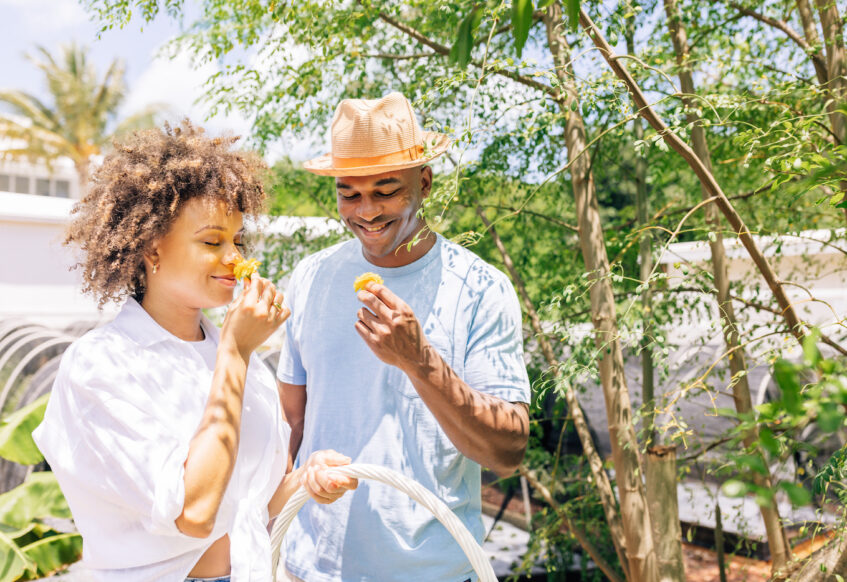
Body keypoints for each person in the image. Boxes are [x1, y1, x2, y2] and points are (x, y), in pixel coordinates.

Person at [33, 121, 358, 582]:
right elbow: (194, 512)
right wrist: (235, 354)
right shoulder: (103, 364)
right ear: (152, 247)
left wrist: (305, 482)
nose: (234, 257)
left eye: (238, 240)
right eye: (212, 241)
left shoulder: (238, 359)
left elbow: (251, 509)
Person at [277, 92, 531, 581]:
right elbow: (291, 422)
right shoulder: (312, 277)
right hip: (312, 571)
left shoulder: (479, 289)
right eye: (349, 193)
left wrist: (419, 362)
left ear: (425, 182)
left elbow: (508, 452)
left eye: (387, 190)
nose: (366, 211)